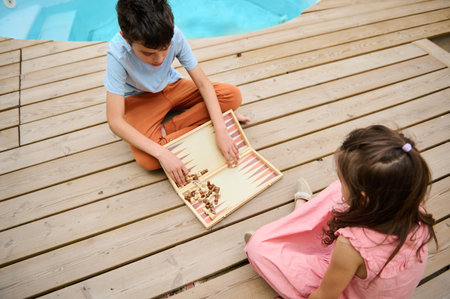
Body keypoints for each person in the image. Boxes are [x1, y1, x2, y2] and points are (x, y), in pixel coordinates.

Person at [244, 125, 437, 298]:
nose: (340, 180)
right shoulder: (411, 205)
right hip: (364, 265)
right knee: (338, 191)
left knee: (258, 246)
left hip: (345, 281)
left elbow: (324, 296)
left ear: (363, 198)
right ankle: (297, 220)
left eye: (342, 178)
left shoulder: (350, 247)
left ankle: (295, 220)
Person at [104, 0, 250, 186]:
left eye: (164, 49)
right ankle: (212, 119)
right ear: (126, 39)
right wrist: (163, 153)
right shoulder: (117, 53)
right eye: (148, 53)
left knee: (232, 96)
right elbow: (115, 121)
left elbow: (204, 84)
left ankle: (169, 130)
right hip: (140, 99)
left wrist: (221, 130)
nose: (159, 59)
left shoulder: (174, 34)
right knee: (148, 160)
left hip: (172, 86)